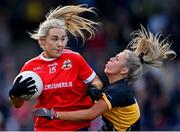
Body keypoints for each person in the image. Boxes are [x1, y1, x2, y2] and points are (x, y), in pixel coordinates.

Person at [32, 25, 176, 131]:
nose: (111, 58)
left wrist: (54, 114)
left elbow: (90, 114)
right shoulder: (112, 87)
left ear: (124, 70)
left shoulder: (120, 91)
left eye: (116, 59)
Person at [8, 4, 103, 131]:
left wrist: (94, 88)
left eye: (63, 39)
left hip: (76, 127)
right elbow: (17, 104)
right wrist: (14, 94)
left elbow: (97, 82)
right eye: (54, 39)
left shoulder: (75, 59)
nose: (60, 44)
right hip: (45, 128)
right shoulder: (30, 67)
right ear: (42, 41)